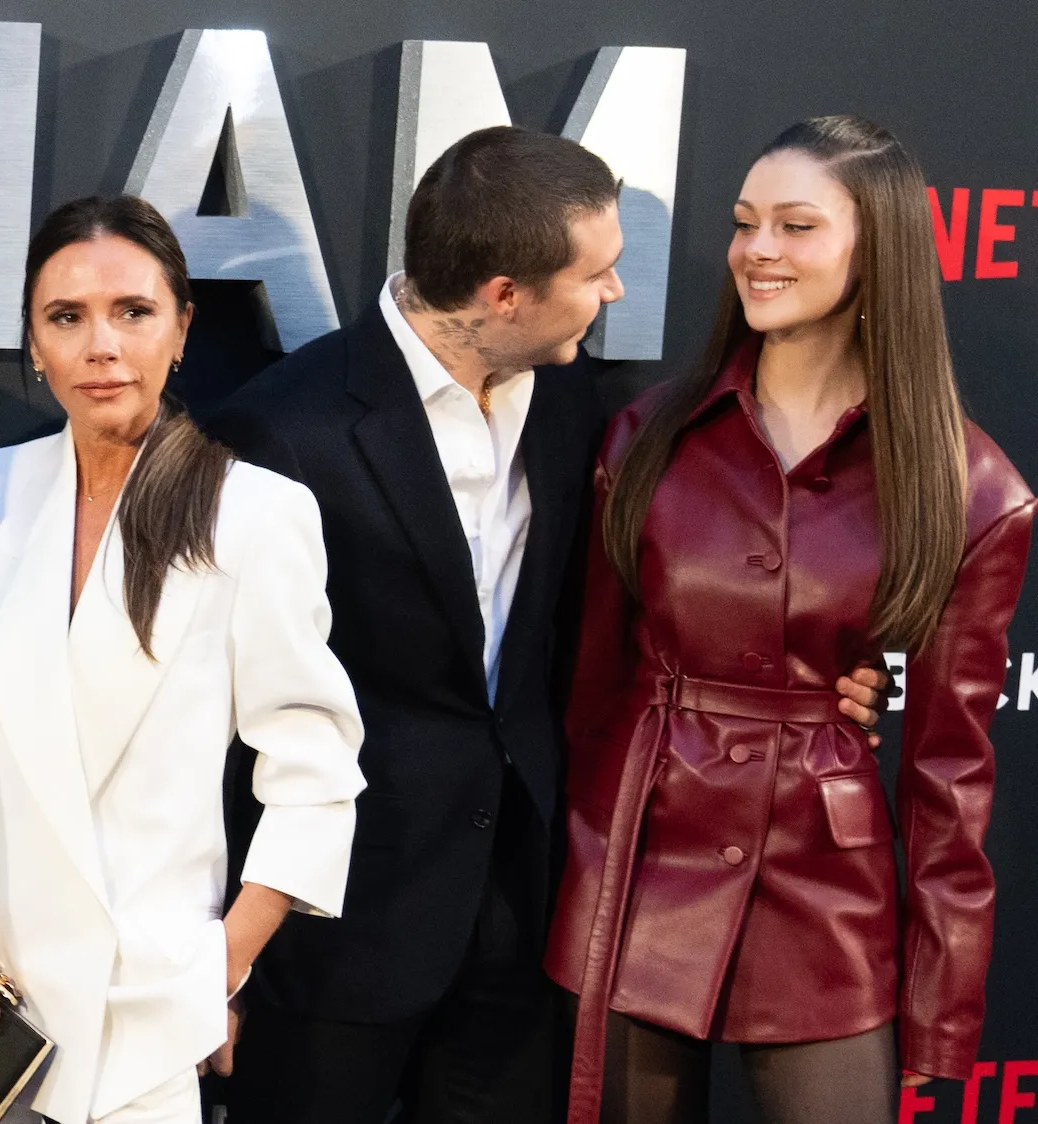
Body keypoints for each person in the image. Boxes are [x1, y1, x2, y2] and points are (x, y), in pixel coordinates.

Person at [208, 124, 893, 1124]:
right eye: (596, 274)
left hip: (527, 923)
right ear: (503, 295)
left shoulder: (580, 404)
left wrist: (819, 676)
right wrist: (219, 952)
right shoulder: (282, 428)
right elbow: (219, 709)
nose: (617, 294)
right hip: (338, 928)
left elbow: (644, 603)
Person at [545, 115, 1037, 1124]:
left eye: (797, 225)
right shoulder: (647, 436)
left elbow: (950, 771)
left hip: (826, 889)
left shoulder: (973, 489)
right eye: (744, 223)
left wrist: (941, 1014)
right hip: (638, 864)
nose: (758, 251)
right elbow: (588, 685)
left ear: (879, 249)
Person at [0, 195, 365, 1124]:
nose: (100, 346)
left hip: (143, 1020)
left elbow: (315, 770)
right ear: (32, 343)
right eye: (66, 318)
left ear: (182, 329)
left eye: (133, 312)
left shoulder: (254, 512)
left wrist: (217, 969)